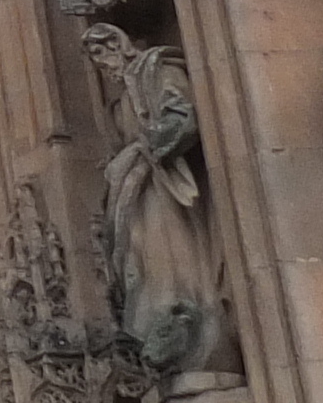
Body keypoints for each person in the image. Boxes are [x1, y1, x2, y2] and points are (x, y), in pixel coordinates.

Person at [83, 22, 237, 387]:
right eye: (96, 59)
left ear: (120, 44)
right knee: (142, 259)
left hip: (166, 187)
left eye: (105, 52)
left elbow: (182, 117)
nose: (104, 64)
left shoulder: (156, 68)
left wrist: (149, 145)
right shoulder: (119, 104)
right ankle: (163, 327)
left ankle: (189, 318)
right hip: (135, 192)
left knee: (175, 256)